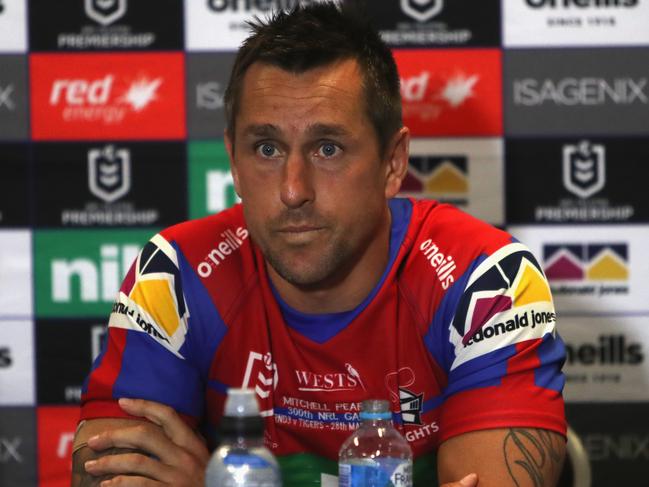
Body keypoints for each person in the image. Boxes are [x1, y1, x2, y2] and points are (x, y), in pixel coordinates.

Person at [71, 3, 567, 486]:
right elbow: (100, 474)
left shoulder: (486, 281)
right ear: (234, 162)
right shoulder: (177, 276)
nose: (293, 190)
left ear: (393, 163)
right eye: (266, 149)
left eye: (327, 148)